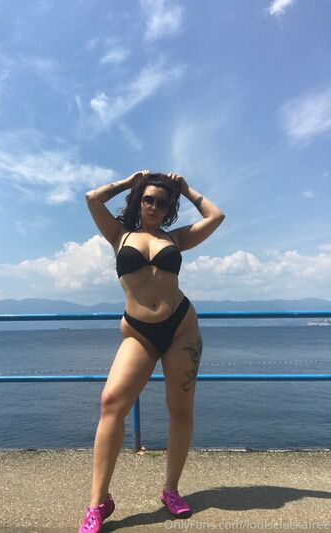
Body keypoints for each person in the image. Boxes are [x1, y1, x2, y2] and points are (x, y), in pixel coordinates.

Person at [79, 170, 225, 532]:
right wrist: (129, 182)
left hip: (181, 327)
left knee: (181, 408)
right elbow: (92, 198)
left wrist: (186, 189)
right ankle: (98, 503)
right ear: (138, 201)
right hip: (140, 332)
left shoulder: (175, 238)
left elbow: (216, 216)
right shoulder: (119, 234)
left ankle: (171, 490)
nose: (154, 206)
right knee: (111, 402)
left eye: (162, 201)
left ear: (168, 206)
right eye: (148, 199)